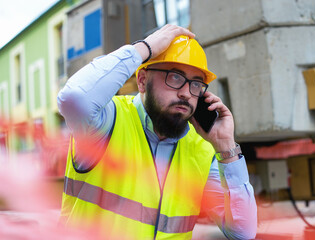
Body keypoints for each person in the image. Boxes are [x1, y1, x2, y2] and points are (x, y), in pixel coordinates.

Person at [58, 24, 257, 239]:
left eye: (196, 84)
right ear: (142, 81)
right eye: (175, 77)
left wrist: (226, 146)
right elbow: (73, 98)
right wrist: (145, 48)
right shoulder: (106, 122)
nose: (185, 93)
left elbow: (242, 232)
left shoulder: (202, 149)